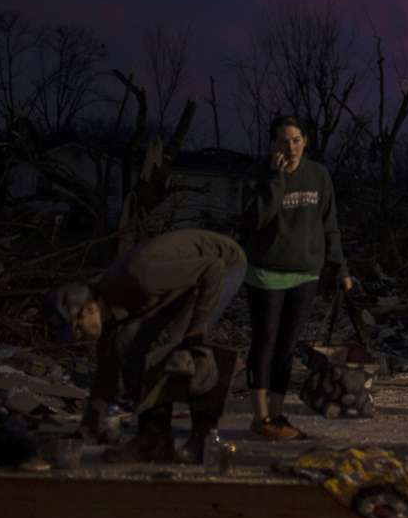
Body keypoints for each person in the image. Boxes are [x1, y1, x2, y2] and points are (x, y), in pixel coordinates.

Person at [55, 228, 248, 465]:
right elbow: (108, 366)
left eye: (77, 328)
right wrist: (90, 424)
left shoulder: (141, 276)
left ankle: (204, 441)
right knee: (128, 343)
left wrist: (196, 331)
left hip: (223, 264)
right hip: (179, 278)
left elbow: (213, 268)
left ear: (91, 309)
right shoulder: (106, 302)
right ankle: (153, 440)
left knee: (183, 346)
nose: (79, 336)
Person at [241, 114, 353, 440]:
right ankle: (259, 418)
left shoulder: (318, 176)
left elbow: (329, 225)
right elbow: (255, 220)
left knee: (288, 347)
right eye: (283, 141)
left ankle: (277, 416)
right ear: (273, 145)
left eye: (296, 140)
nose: (290, 147)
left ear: (305, 141)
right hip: (266, 272)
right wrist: (276, 180)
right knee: (265, 343)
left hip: (305, 273)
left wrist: (341, 269)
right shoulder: (259, 174)